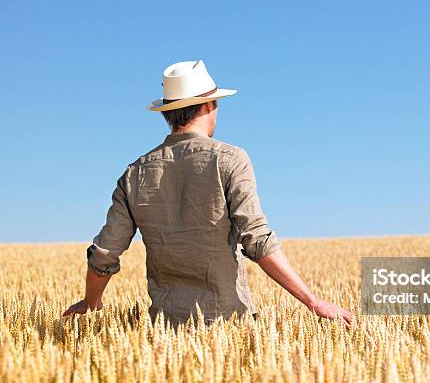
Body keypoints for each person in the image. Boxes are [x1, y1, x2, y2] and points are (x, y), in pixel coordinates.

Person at [63, 60, 352, 327]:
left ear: (168, 114)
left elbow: (105, 252)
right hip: (228, 324)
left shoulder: (135, 173)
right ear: (208, 106)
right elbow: (257, 240)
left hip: (163, 329)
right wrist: (313, 302)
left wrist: (91, 302)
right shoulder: (229, 159)